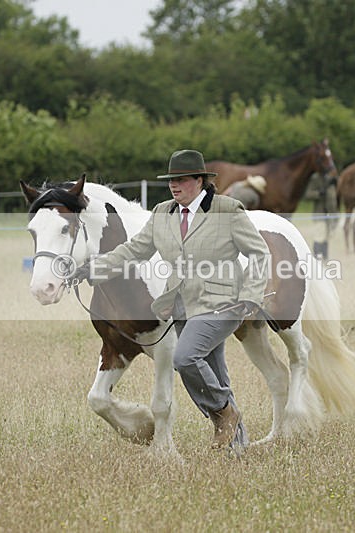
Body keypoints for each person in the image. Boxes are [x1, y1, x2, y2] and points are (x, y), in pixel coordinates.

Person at [70, 149, 270, 452]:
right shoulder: (163, 213)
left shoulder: (227, 210)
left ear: (200, 181)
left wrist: (251, 297)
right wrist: (93, 268)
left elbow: (259, 253)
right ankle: (236, 446)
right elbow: (134, 250)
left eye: (182, 180)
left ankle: (224, 413)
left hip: (223, 303)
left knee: (184, 358)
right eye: (171, 181)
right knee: (215, 374)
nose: (174, 186)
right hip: (181, 305)